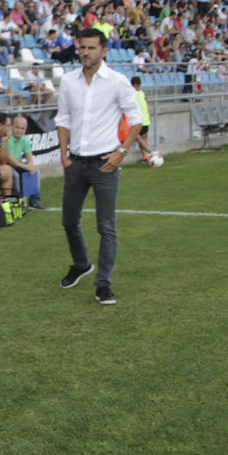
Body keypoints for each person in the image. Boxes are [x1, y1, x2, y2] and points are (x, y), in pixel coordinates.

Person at [56, 28, 143, 306]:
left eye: (91, 48)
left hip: (106, 163)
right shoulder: (69, 81)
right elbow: (63, 118)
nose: (85, 53)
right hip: (75, 164)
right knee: (69, 220)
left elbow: (136, 118)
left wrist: (122, 151)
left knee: (106, 227)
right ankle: (81, 264)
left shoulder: (117, 82)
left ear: (103, 51)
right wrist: (64, 156)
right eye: (81, 47)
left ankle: (103, 284)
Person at [6, 115, 44, 210]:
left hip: (16, 163)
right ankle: (18, 203)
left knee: (35, 171)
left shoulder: (24, 139)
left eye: (22, 128)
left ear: (25, 129)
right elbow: (10, 160)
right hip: (5, 164)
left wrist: (31, 165)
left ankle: (34, 202)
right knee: (15, 175)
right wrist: (26, 167)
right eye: (17, 127)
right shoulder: (8, 138)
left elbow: (29, 155)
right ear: (12, 126)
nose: (20, 130)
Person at [130, 76, 152, 160]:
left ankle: (146, 154)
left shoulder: (142, 93)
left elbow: (145, 104)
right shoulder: (130, 94)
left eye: (138, 86)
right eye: (135, 86)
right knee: (139, 137)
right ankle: (145, 154)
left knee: (144, 136)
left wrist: (148, 113)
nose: (137, 88)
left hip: (145, 119)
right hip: (137, 120)